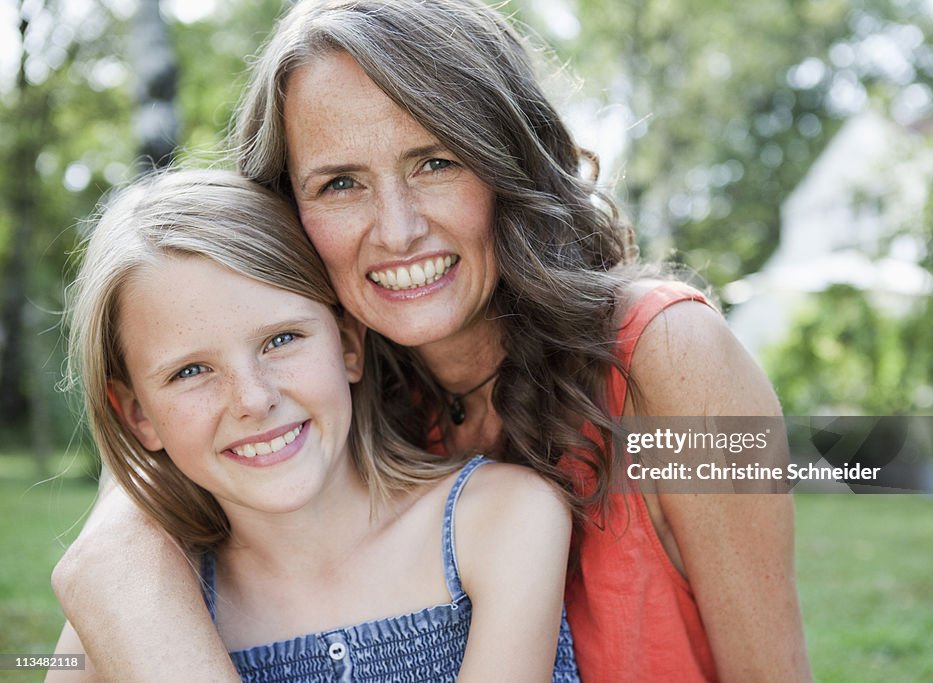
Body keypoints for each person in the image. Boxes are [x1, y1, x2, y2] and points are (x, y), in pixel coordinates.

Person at [52, 1, 814, 681]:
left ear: (507, 162)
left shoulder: (668, 355)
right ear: (287, 218)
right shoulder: (335, 399)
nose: (397, 228)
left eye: (437, 161)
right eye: (340, 183)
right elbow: (113, 556)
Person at [49, 169, 579, 682]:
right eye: (191, 372)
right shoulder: (130, 607)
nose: (253, 400)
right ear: (139, 415)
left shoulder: (500, 522)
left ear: (348, 344)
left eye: (281, 340)